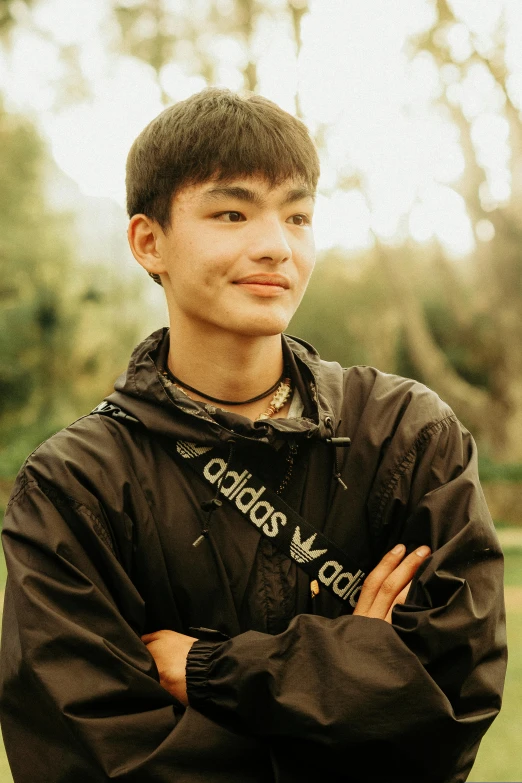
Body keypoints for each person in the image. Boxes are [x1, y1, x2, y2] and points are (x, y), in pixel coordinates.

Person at [0, 88, 506, 783]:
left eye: (298, 215)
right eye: (232, 212)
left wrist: (211, 671)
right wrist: (351, 681)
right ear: (150, 242)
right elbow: (88, 758)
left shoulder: (408, 437)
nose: (276, 245)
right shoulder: (73, 485)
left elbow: (446, 710)